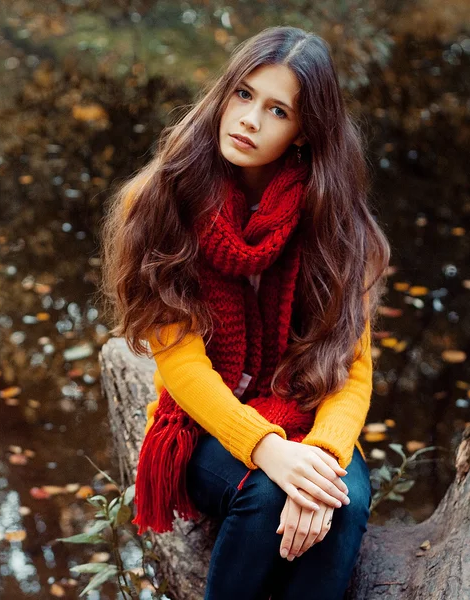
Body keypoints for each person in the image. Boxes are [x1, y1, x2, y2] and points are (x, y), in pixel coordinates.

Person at [101, 25, 391, 600]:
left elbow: (351, 368)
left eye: (277, 109)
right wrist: (269, 449)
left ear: (305, 131)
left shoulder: (337, 224)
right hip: (205, 421)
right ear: (224, 92)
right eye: (243, 95)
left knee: (340, 499)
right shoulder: (162, 200)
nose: (249, 120)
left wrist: (324, 453)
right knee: (266, 493)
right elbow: (182, 366)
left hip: (305, 411)